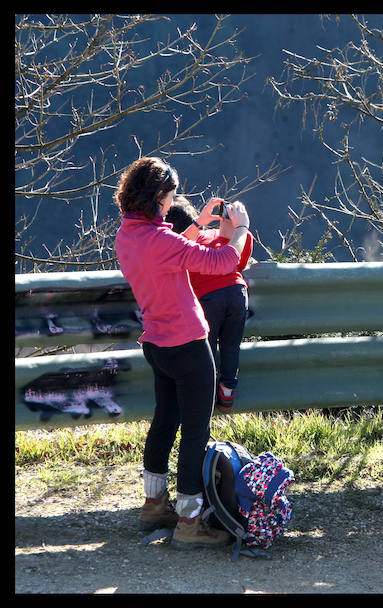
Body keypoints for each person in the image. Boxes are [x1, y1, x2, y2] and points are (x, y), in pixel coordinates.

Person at [114, 156, 251, 549]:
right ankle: (190, 523)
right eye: (171, 196)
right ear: (158, 198)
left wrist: (198, 222)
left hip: (156, 344)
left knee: (164, 422)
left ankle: (154, 504)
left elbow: (170, 248)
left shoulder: (129, 235)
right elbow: (224, 260)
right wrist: (239, 228)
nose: (173, 200)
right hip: (189, 346)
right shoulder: (161, 241)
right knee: (195, 431)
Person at [165, 196, 254, 413]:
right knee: (231, 345)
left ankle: (208, 393)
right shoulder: (224, 237)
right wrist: (233, 230)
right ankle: (228, 389)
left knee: (207, 347)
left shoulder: (187, 245)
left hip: (208, 299)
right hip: (237, 293)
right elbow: (239, 261)